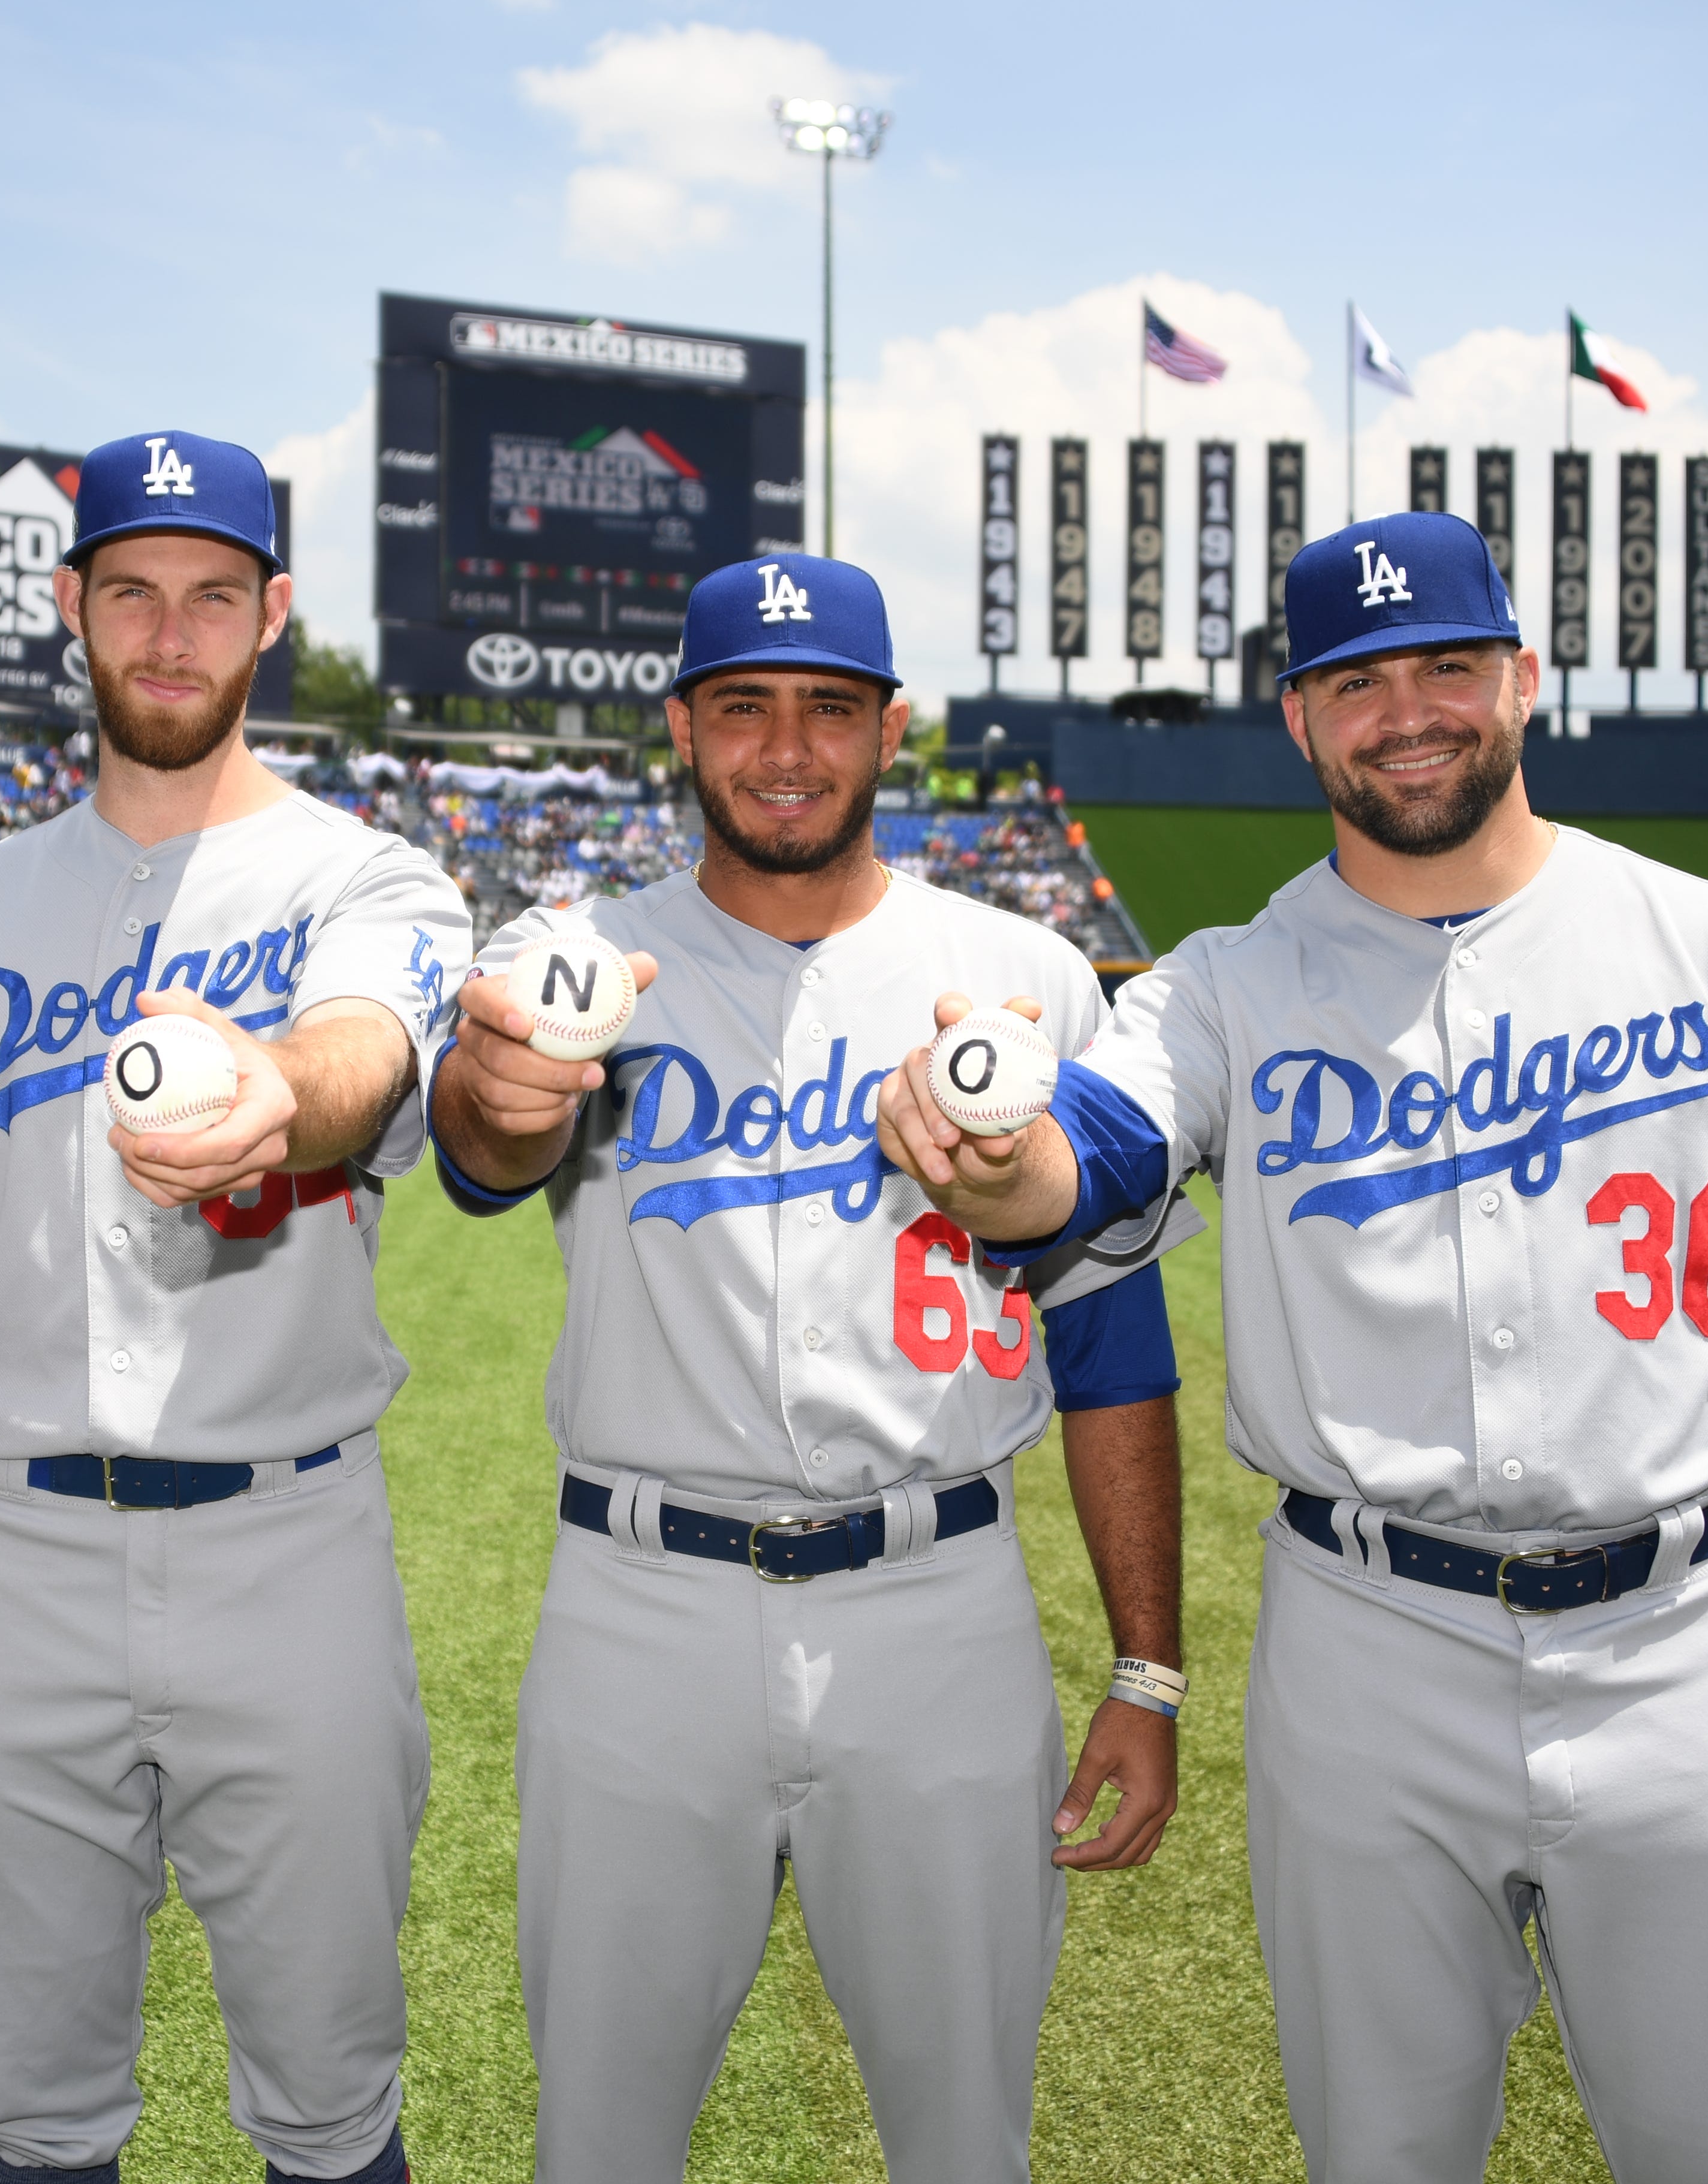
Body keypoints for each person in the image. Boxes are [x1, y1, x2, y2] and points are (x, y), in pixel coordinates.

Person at [878, 510, 1708, 2183]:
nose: (1408, 709)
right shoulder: (1225, 986)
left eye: (1448, 667)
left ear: (1525, 682)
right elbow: (1091, 1153)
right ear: (1300, 718)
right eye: (1358, 680)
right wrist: (1001, 1162)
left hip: (1681, 1642)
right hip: (1366, 1649)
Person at [427, 553, 1192, 2184]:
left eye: (829, 710)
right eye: (747, 707)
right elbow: (480, 1157)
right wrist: (501, 1096)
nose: (787, 748)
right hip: (642, 1604)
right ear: (684, 727)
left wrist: (1147, 1671)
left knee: (965, 2136)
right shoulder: (578, 958)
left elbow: (1112, 1333)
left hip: (940, 1606)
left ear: (893, 729)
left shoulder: (1026, 976)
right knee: (600, 2139)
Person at [0, 431, 470, 2184]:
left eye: (213, 594)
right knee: (37, 2116)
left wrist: (280, 1091)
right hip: (6, 1551)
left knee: (330, 2101)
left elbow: (367, 1047)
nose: (169, 632)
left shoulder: (366, 878)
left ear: (271, 618)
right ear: (74, 610)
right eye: (131, 590)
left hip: (284, 1544)